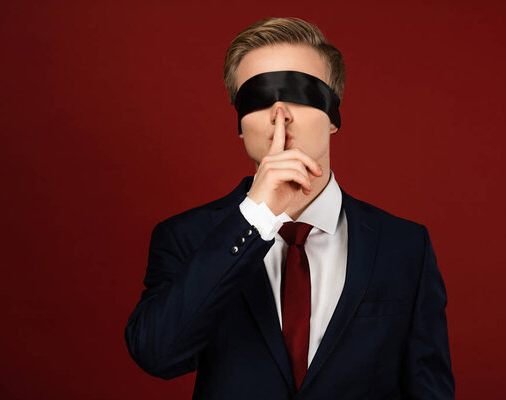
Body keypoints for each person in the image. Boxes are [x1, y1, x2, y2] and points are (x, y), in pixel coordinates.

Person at [125, 17, 455, 399]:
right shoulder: (187, 237)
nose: (279, 112)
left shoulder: (405, 246)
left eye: (301, 92)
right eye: (258, 97)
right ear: (239, 122)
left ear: (333, 116)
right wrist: (256, 218)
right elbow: (157, 354)